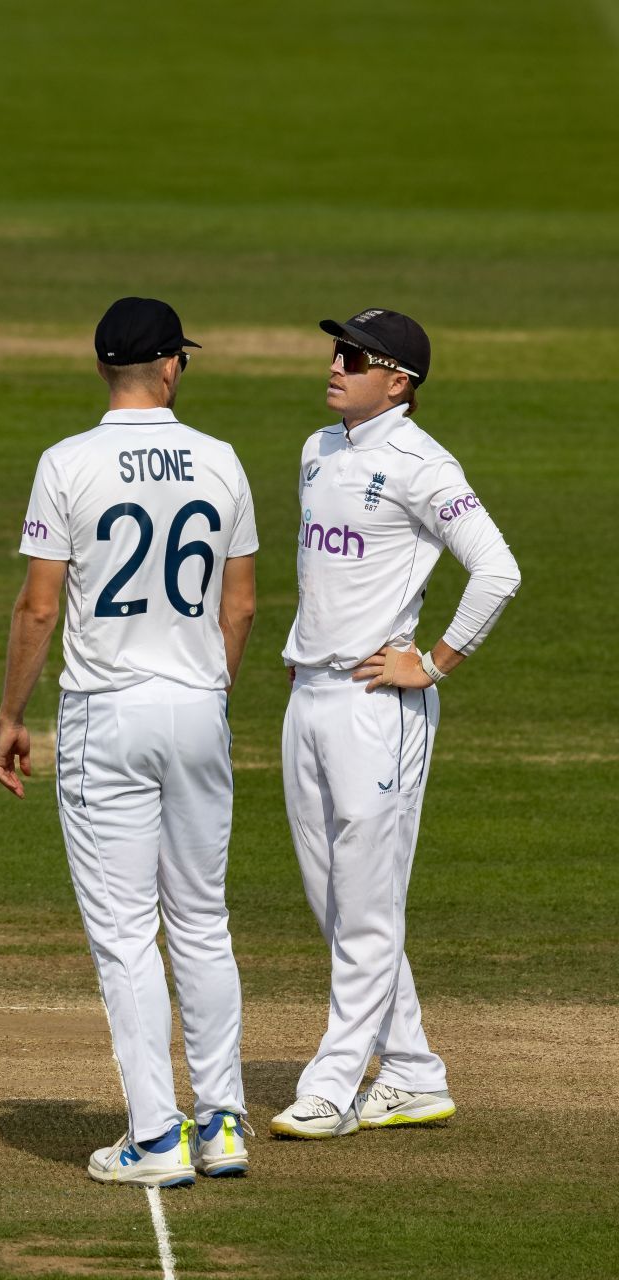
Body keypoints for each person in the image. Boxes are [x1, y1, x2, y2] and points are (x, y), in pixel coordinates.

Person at [0, 298, 258, 1186]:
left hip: (107, 711)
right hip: (196, 706)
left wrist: (9, 716)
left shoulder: (66, 462)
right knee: (202, 922)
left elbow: (38, 605)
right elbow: (242, 604)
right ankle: (220, 1122)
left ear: (103, 367)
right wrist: (205, 688)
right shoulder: (220, 461)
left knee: (123, 935)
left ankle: (155, 1136)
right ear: (172, 365)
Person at [270, 310, 520, 1139]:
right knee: (337, 904)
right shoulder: (317, 451)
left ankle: (333, 1084)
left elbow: (497, 569)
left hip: (380, 707)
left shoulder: (422, 463)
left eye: (353, 356)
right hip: (308, 696)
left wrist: (434, 660)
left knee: (369, 906)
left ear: (399, 380)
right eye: (334, 350)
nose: (334, 364)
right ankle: (413, 1073)